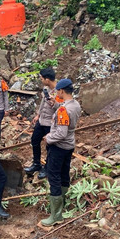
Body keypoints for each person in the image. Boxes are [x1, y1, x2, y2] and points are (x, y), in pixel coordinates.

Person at [40, 79, 82, 227]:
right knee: (64, 174)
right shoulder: (75, 105)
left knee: (54, 177)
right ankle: (61, 206)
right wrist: (56, 106)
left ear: (62, 91)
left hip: (59, 147)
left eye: (58, 91)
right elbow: (67, 119)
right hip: (69, 146)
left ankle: (56, 215)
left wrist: (48, 138)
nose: (57, 93)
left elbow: (61, 133)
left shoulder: (64, 110)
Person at [24, 67, 58, 178]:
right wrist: (38, 115)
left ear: (47, 79)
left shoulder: (59, 91)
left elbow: (62, 108)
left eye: (42, 79)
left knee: (50, 146)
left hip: (51, 123)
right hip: (42, 120)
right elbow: (43, 102)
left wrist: (55, 102)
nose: (41, 80)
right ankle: (36, 164)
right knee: (35, 140)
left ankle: (47, 168)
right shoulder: (46, 89)